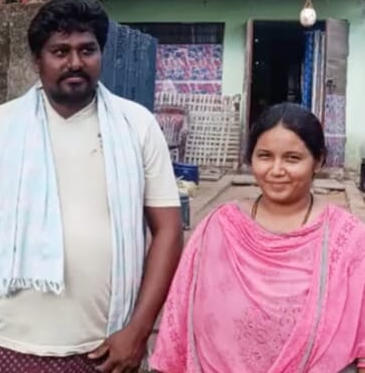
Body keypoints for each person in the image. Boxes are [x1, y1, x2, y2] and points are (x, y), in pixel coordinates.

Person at [0, 0, 184, 373]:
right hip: (12, 343)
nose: (75, 62)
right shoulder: (0, 127)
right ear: (37, 60)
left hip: (106, 347)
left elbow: (169, 230)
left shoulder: (135, 125)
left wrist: (138, 332)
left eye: (86, 50)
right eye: (60, 51)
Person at [149, 103, 365, 373]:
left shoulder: (346, 239)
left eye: (292, 158)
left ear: (318, 161)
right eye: (264, 156)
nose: (276, 170)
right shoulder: (219, 228)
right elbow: (179, 315)